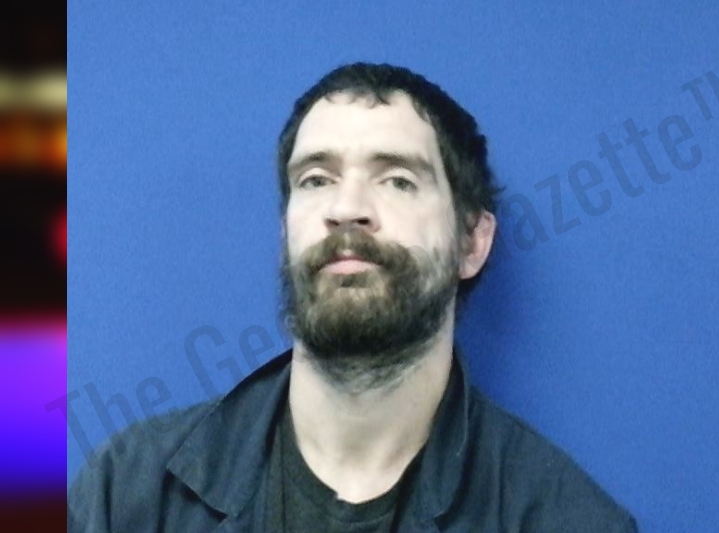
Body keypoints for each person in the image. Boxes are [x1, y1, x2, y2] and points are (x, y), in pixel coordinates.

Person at [68, 62, 638, 532]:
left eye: (397, 180)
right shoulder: (126, 497)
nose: (346, 208)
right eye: (316, 179)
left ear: (472, 242)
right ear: (286, 230)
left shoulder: (566, 520)